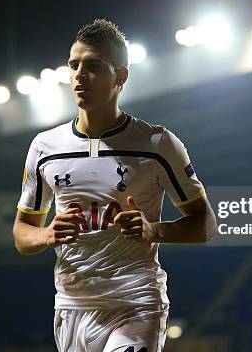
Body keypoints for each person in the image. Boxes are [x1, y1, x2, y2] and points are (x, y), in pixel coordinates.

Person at [12, 18, 217, 352]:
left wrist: (153, 230)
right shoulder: (45, 147)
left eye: (93, 66)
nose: (79, 75)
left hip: (136, 301)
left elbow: (205, 224)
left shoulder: (157, 143)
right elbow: (22, 233)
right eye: (73, 65)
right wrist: (46, 234)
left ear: (120, 76)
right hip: (71, 305)